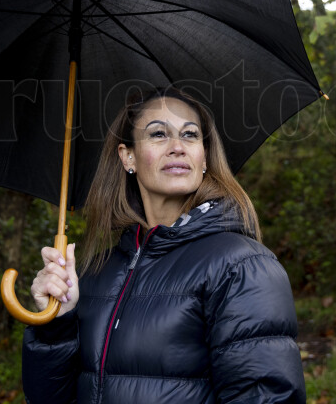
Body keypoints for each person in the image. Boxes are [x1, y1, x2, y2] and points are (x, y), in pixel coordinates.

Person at [22, 87, 306, 404]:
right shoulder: (96, 272)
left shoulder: (241, 266)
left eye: (190, 135)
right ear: (127, 156)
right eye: (159, 134)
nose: (177, 147)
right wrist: (57, 324)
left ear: (204, 157)